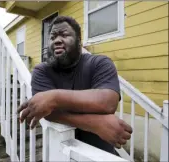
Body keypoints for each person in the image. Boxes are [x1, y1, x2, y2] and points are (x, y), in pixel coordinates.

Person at [17, 16, 132, 156]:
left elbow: (108, 101)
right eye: (53, 37)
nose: (57, 40)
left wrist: (54, 98)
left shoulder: (99, 63)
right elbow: (47, 112)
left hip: (100, 155)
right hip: (60, 153)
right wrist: (95, 124)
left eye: (64, 35)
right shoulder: (41, 71)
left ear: (79, 42)